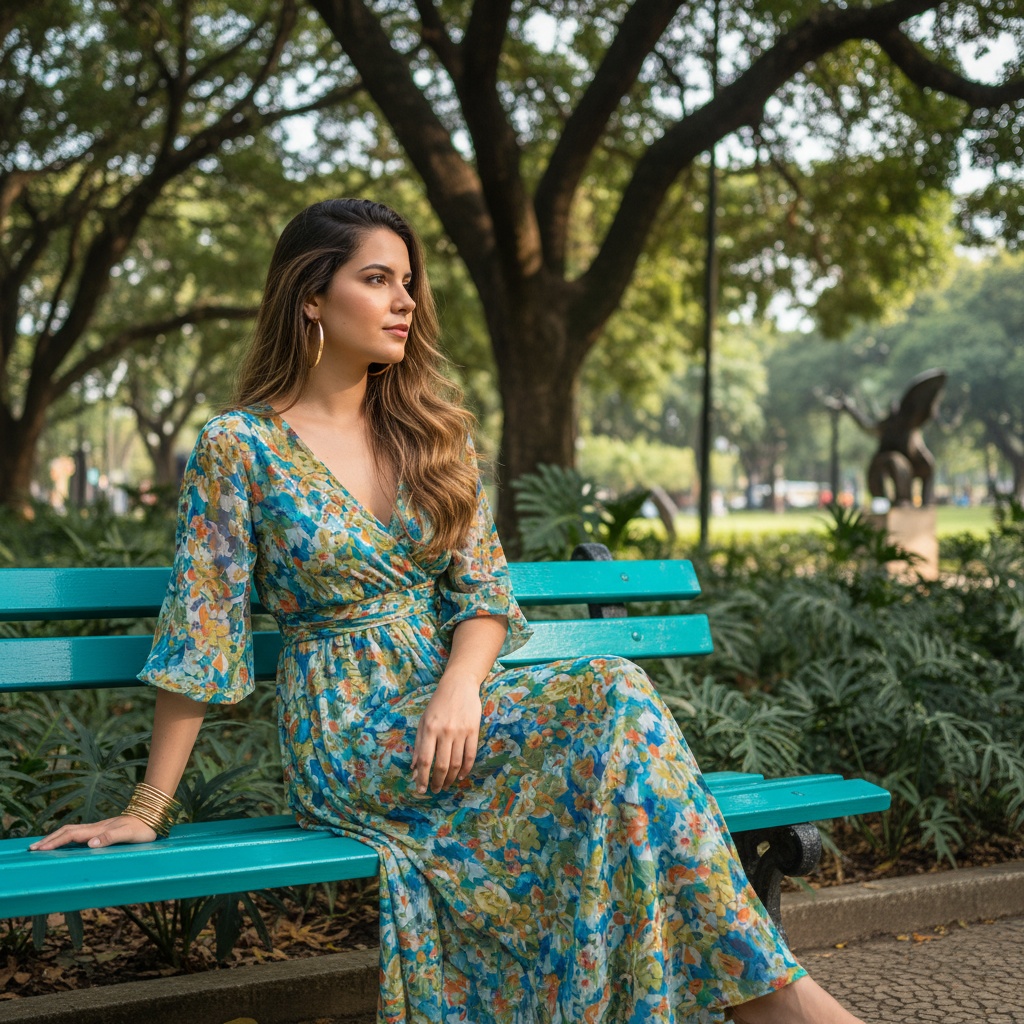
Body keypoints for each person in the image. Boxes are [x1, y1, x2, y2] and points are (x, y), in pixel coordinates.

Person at [31, 199, 867, 1024]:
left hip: (452, 709)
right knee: (614, 708)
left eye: (408, 282)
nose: (405, 301)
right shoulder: (240, 445)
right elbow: (204, 633)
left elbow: (483, 594)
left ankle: (769, 1001)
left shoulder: (432, 434)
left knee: (615, 711)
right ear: (310, 297)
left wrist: (461, 686)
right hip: (350, 733)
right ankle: (778, 1003)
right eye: (377, 279)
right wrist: (147, 808)